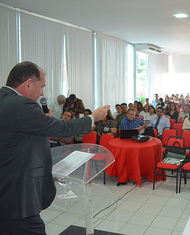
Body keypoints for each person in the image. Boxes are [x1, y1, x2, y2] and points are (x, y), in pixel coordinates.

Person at [0, 61, 109, 234]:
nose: (42, 93)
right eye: (41, 86)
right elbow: (64, 129)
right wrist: (92, 118)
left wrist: (43, 122)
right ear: (28, 84)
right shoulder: (23, 106)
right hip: (19, 198)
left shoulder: (4, 100)